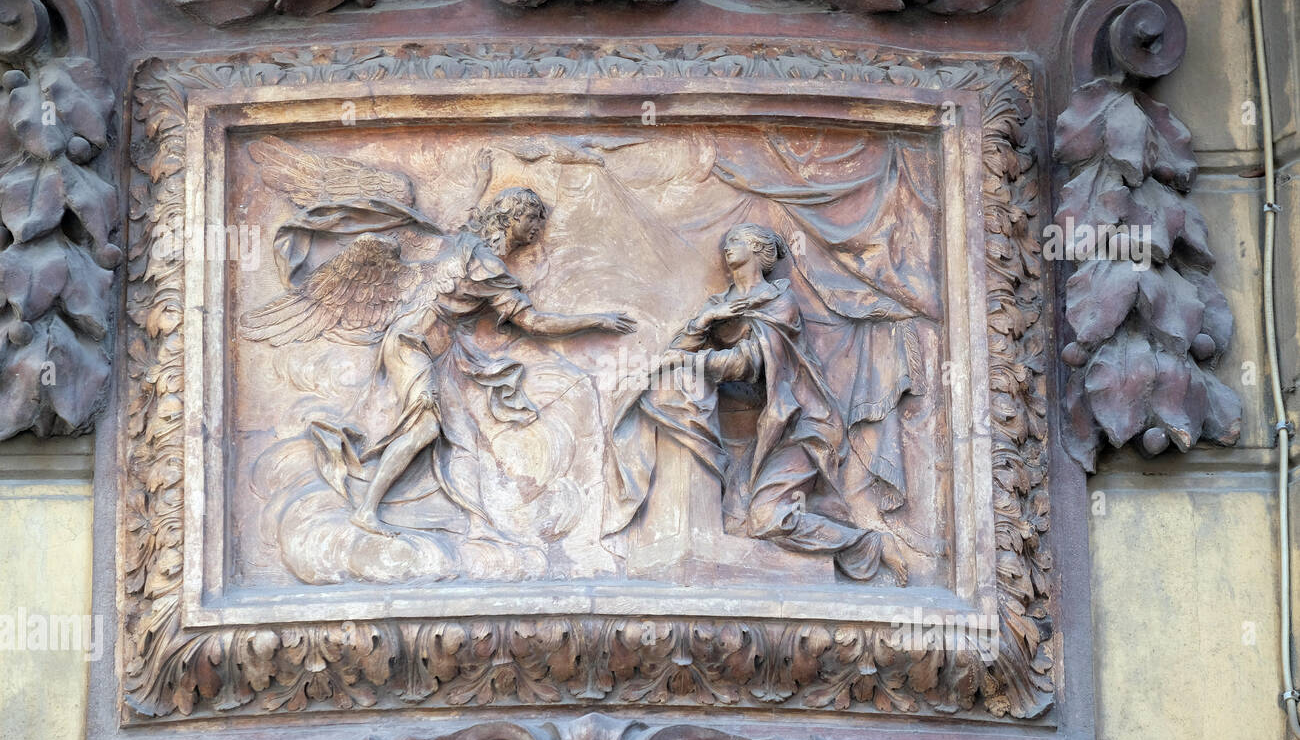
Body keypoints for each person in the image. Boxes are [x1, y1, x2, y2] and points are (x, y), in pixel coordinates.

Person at [241, 187, 635, 536]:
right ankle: (366, 509)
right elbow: (532, 321)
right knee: (427, 428)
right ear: (510, 217)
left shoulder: (464, 247)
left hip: (432, 352)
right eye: (532, 217)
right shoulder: (485, 264)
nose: (537, 227)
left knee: (452, 432)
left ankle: (400, 504)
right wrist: (597, 320)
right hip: (411, 345)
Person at [603, 222, 904, 582]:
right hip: (749, 430)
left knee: (766, 518)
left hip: (796, 425)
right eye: (727, 242)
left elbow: (749, 362)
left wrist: (693, 361)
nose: (728, 247)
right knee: (738, 516)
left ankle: (868, 544)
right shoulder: (720, 304)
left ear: (759, 251)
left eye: (738, 241)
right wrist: (702, 323)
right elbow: (675, 355)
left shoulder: (780, 303)